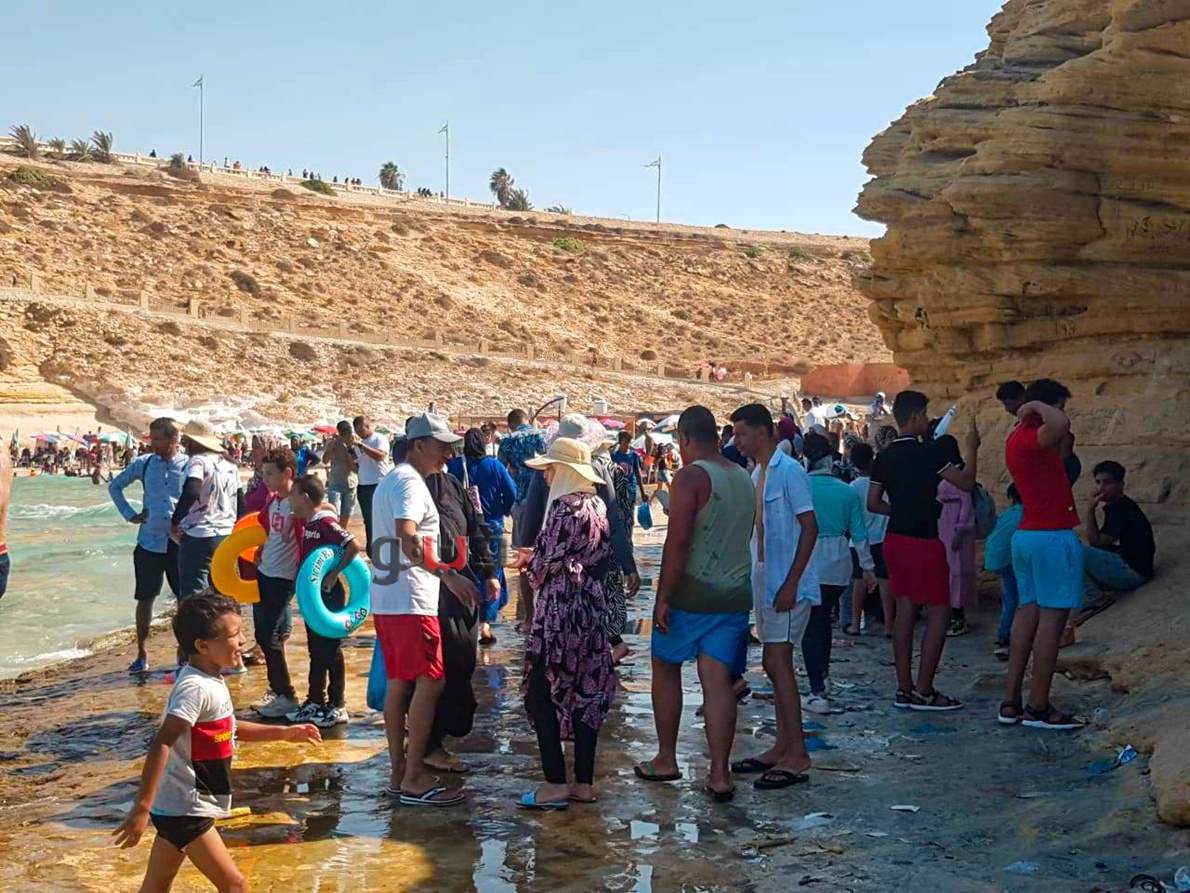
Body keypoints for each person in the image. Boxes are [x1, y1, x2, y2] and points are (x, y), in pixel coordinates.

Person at [113, 592, 321, 893]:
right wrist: (141, 808)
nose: (242, 641)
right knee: (235, 885)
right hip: (186, 806)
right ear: (203, 646)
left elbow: (229, 728)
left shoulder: (212, 679)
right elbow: (162, 742)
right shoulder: (194, 688)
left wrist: (285, 733)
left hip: (180, 804)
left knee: (157, 886)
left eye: (241, 632)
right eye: (234, 635)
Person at [636, 406, 754, 802]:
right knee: (717, 680)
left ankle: (666, 758)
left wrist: (663, 597)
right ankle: (720, 773)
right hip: (734, 594)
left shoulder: (690, 477)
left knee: (665, 666)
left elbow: (679, 541)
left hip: (692, 592)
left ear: (684, 439)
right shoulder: (742, 476)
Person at [371, 413, 478, 806]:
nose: (448, 453)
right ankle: (414, 774)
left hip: (388, 598)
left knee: (400, 682)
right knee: (430, 681)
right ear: (418, 445)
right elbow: (407, 537)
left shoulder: (391, 480)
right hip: (411, 599)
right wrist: (448, 576)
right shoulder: (410, 483)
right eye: (441, 445)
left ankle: (400, 771)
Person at [512, 437, 615, 809]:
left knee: (541, 691)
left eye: (551, 469)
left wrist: (528, 561)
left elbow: (545, 566)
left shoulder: (562, 507)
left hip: (559, 609)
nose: (546, 476)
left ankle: (554, 782)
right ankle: (583, 782)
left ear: (565, 471)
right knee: (587, 690)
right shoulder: (597, 505)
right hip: (590, 606)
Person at [868, 391, 979, 711]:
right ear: (916, 417)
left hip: (895, 539)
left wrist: (900, 510)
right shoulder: (930, 452)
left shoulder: (884, 456)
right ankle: (925, 689)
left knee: (905, 611)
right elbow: (966, 482)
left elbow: (873, 503)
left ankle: (904, 688)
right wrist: (972, 448)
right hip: (924, 541)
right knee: (939, 611)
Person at [727, 404, 818, 790]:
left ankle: (797, 753)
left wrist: (792, 582)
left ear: (763, 432)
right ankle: (783, 746)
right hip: (766, 580)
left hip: (787, 582)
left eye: (742, 433)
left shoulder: (790, 472)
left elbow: (810, 527)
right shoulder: (757, 473)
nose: (736, 440)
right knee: (772, 662)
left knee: (778, 662)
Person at [516, 415, 641, 663]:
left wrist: (528, 553)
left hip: (559, 587)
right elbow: (614, 520)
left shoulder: (555, 486)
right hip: (594, 570)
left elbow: (532, 523)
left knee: (558, 657)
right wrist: (628, 565)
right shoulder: (598, 472)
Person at [1000, 379, 1084, 730]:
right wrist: (1033, 406)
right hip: (1050, 536)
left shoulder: (1018, 439)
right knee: (1052, 621)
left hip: (1029, 536)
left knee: (1027, 614)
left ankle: (1011, 701)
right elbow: (1061, 424)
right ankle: (1038, 706)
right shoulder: (1031, 435)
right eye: (1058, 405)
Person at [423, 460, 499, 773]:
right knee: (436, 673)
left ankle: (433, 737)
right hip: (428, 593)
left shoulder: (455, 485)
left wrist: (489, 572)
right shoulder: (406, 486)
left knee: (462, 666)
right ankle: (429, 744)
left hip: (463, 588)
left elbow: (476, 528)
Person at [802, 432, 876, 714]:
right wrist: (868, 568)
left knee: (812, 626)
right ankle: (823, 676)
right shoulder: (846, 491)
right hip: (839, 561)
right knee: (823, 622)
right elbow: (860, 534)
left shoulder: (800, 488)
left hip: (808, 560)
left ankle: (816, 689)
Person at [108, 417, 188, 673]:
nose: (153, 443)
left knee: (185, 600)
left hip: (179, 543)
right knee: (145, 598)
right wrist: (130, 515)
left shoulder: (189, 465)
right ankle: (141, 652)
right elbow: (115, 486)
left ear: (174, 439)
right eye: (152, 438)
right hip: (149, 542)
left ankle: (184, 650)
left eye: (158, 439)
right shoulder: (144, 464)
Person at [285, 474, 360, 728]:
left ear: (305, 498)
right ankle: (315, 699)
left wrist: (334, 574)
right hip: (313, 596)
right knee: (315, 649)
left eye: (293, 495)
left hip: (329, 593)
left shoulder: (325, 522)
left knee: (330, 650)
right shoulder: (309, 523)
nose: (290, 500)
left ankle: (338, 705)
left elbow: (353, 545)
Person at [1071, 460, 1155, 635]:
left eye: (1107, 483)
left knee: (1071, 551)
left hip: (1134, 571)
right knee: (1071, 546)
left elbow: (1096, 542)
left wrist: (1090, 509)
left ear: (1121, 484)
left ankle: (1095, 598)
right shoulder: (1117, 506)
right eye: (1098, 482)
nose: (1101, 488)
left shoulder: (1122, 509)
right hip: (1130, 565)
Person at [249, 448, 301, 720]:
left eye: (270, 473)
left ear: (287, 473)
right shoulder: (274, 500)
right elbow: (269, 529)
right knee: (263, 634)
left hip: (283, 576)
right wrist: (261, 548)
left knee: (269, 635)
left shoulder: (298, 501)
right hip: (265, 571)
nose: (265, 478)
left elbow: (321, 513)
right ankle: (277, 689)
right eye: (263, 473)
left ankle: (286, 695)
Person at [453, 428, 517, 645]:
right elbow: (512, 492)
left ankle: (471, 615)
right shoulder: (495, 466)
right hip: (493, 526)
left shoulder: (455, 466)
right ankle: (485, 624)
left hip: (463, 528)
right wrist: (502, 509)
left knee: (469, 571)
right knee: (494, 572)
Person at [172, 420, 244, 602]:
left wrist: (175, 520)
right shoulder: (230, 464)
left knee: (195, 594)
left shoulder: (198, 461)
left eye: (186, 441)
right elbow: (241, 501)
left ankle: (197, 622)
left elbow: (192, 490)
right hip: (226, 535)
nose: (184, 445)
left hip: (199, 535)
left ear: (192, 442)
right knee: (223, 591)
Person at [498, 409, 547, 625]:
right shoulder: (540, 436)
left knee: (523, 556)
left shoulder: (508, 441)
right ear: (527, 420)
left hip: (520, 498)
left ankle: (528, 615)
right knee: (544, 552)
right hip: (543, 498)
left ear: (510, 424)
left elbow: (501, 470)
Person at [844, 443, 891, 637]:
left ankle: (855, 624)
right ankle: (889, 625)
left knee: (859, 583)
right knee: (885, 582)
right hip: (881, 538)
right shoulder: (882, 484)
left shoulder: (852, 488)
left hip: (858, 542)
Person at [936, 435, 977, 638]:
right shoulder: (948, 471)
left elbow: (966, 505)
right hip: (945, 525)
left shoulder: (959, 474)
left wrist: (960, 530)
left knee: (957, 572)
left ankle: (958, 617)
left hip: (955, 528)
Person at [985, 484, 1023, 660]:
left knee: (1010, 596)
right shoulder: (1027, 514)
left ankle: (1005, 636)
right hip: (1010, 559)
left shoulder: (1008, 514)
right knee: (1014, 598)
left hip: (996, 557)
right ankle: (1004, 638)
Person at [352, 415, 393, 555]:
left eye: (361, 430)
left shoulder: (379, 438)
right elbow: (359, 465)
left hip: (378, 483)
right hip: (363, 485)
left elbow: (380, 456)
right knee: (368, 520)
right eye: (357, 431)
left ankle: (385, 549)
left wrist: (361, 445)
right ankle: (372, 550)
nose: (359, 434)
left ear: (368, 426)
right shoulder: (359, 444)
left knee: (380, 519)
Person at [323, 421, 359, 528]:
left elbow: (356, 467)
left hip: (350, 482)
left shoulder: (354, 443)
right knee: (333, 512)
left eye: (348, 432)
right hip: (335, 482)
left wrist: (349, 448)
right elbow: (325, 460)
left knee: (346, 512)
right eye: (344, 432)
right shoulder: (332, 442)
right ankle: (335, 532)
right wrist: (330, 448)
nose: (346, 435)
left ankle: (342, 531)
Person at [610, 430, 648, 508]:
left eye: (629, 442)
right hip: (619, 490)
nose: (627, 445)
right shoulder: (614, 456)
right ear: (619, 443)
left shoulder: (634, 455)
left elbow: (638, 474)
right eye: (625, 442)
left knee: (631, 510)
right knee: (620, 511)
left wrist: (643, 493)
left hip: (631, 489)